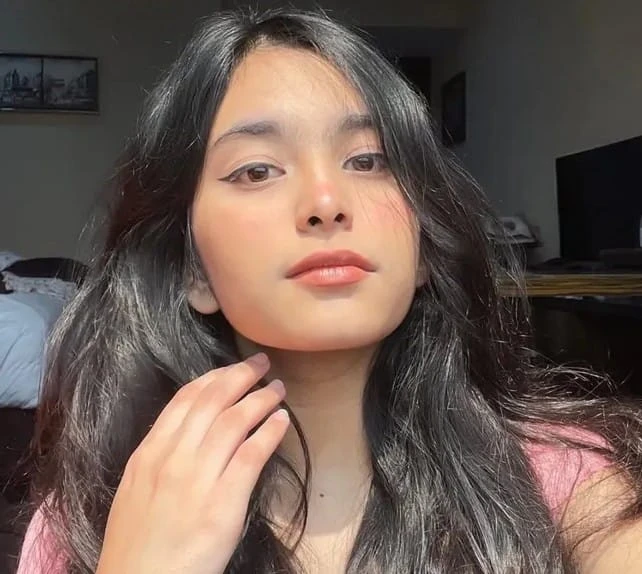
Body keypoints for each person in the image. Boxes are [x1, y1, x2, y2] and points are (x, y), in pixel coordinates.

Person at [15, 8, 642, 574]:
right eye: (257, 170)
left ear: (422, 248)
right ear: (193, 271)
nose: (325, 201)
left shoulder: (568, 485)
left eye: (368, 160)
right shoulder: (87, 528)